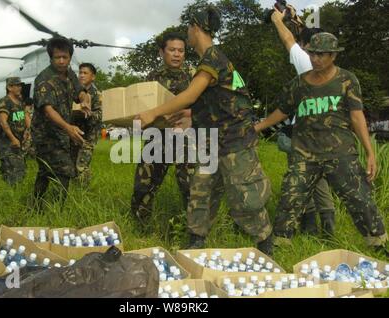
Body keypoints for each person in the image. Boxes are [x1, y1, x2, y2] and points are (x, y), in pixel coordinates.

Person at [137, 7, 274, 255]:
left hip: (234, 142)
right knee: (201, 191)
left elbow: (190, 95)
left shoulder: (212, 59)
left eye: (189, 28)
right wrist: (190, 115)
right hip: (212, 142)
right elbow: (219, 100)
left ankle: (265, 241)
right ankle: (196, 240)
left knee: (244, 197)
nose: (187, 34)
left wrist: (153, 113)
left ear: (196, 28)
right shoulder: (211, 61)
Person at [255, 33, 388, 256]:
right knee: (291, 197)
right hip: (305, 154)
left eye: (321, 55)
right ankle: (279, 244)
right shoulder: (297, 84)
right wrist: (257, 128)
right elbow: (281, 112)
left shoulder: (347, 80)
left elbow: (357, 117)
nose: (315, 59)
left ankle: (378, 243)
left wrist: (370, 152)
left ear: (333, 55)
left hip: (340, 152)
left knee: (360, 198)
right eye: (312, 53)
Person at [271, 7, 336, 236]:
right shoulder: (330, 67)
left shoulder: (306, 62)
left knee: (302, 177)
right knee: (319, 179)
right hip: (325, 133)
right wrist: (295, 18)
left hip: (304, 135)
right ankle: (327, 229)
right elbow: (304, 35)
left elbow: (289, 39)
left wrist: (278, 20)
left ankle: (310, 227)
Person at [131, 32, 196, 226]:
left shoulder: (193, 77)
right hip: (157, 138)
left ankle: (193, 228)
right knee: (144, 184)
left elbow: (204, 106)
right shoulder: (152, 79)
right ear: (162, 52)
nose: (177, 54)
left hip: (186, 140)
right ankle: (138, 226)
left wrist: (186, 113)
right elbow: (143, 108)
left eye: (181, 51)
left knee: (190, 186)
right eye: (172, 50)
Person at [32, 37, 91, 208]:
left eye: (65, 57)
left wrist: (84, 100)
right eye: (57, 57)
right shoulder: (44, 80)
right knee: (65, 170)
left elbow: (79, 90)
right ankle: (59, 209)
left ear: (70, 57)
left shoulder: (69, 72)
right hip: (46, 134)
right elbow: (48, 110)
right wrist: (68, 128)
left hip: (61, 131)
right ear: (50, 58)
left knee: (45, 171)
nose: (62, 61)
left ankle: (35, 206)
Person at [71, 63, 102, 184]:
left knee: (82, 165)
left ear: (93, 76)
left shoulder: (97, 95)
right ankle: (72, 187)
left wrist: (86, 113)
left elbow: (101, 116)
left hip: (89, 134)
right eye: (80, 73)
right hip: (75, 133)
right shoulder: (75, 93)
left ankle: (83, 191)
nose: (81, 75)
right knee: (72, 162)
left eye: (85, 73)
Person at [0, 77, 30, 186]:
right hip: (8, 142)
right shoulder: (5, 102)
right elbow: (3, 122)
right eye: (17, 85)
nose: (19, 88)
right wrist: (13, 139)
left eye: (20, 85)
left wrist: (27, 131)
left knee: (20, 168)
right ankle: (10, 193)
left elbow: (24, 116)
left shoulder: (19, 102)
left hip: (19, 140)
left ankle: (14, 190)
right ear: (9, 87)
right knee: (13, 168)